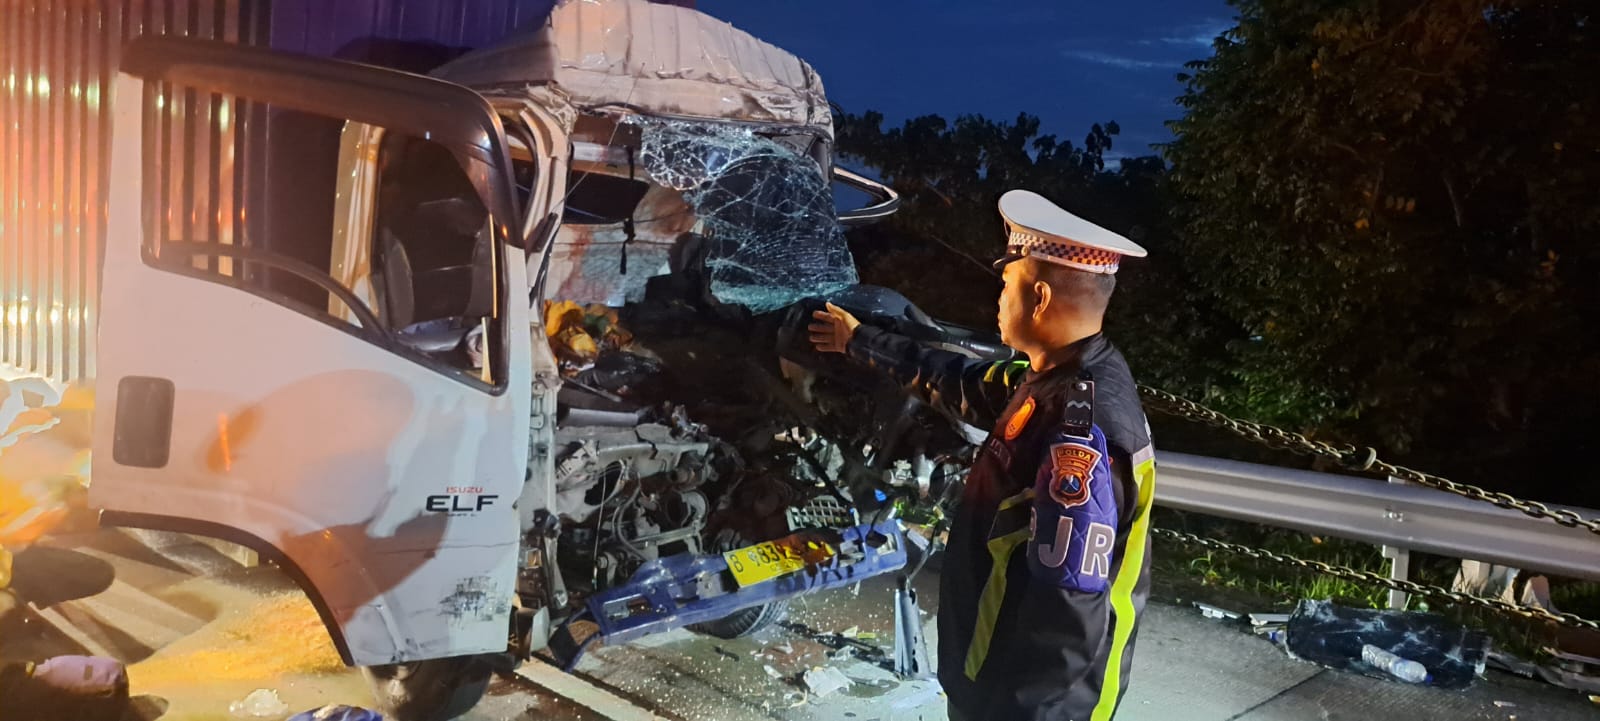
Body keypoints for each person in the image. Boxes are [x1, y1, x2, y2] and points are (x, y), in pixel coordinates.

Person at [809, 190, 1158, 721]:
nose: (998, 299)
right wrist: (859, 342)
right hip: (993, 674)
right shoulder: (1050, 378)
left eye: (1007, 285)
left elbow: (1068, 613)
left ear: (1039, 297)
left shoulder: (1080, 429)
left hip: (1024, 704)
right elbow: (959, 382)